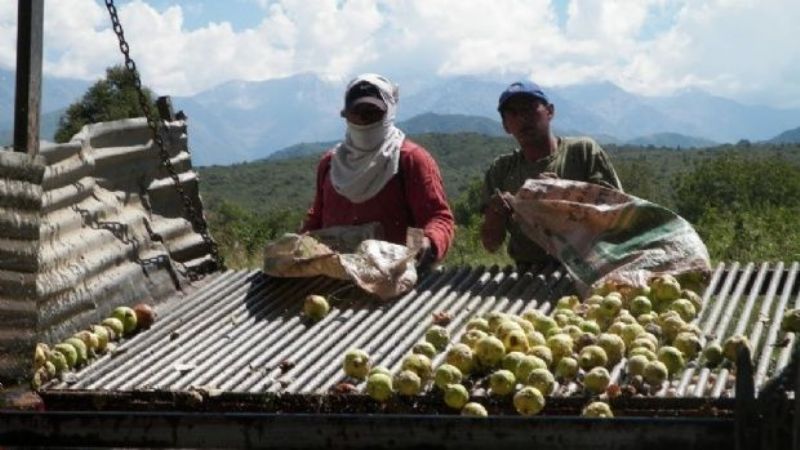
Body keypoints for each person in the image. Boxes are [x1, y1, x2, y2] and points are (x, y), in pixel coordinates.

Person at [301, 73, 455, 271]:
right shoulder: (330, 164)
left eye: (372, 112)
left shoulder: (410, 160)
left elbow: (437, 216)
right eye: (357, 112)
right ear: (345, 114)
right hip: (335, 279)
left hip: (396, 279)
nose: (364, 119)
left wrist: (427, 243)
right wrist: (302, 243)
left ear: (389, 112)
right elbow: (317, 219)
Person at [481, 81, 623, 270]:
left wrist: (564, 194)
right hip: (528, 274)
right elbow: (490, 244)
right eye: (513, 113)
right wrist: (495, 214)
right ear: (506, 126)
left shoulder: (583, 153)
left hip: (589, 269)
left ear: (550, 112)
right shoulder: (501, 170)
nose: (523, 118)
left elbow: (618, 217)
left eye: (530, 109)